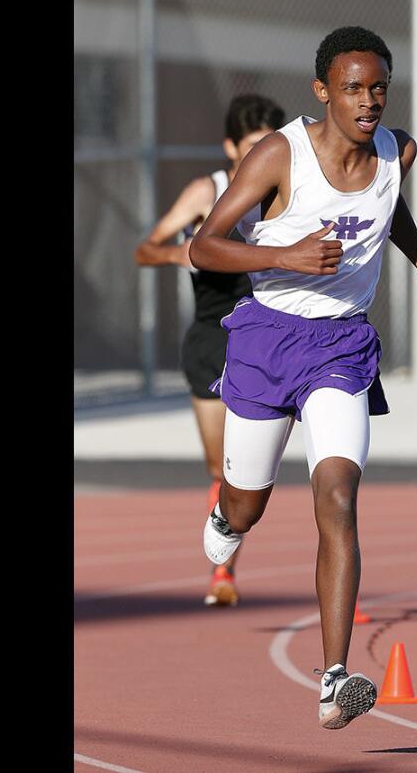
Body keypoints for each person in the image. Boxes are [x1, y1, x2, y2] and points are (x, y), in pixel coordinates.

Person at [189, 26, 417, 729]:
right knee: (248, 508)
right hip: (267, 338)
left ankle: (335, 680)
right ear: (322, 91)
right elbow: (204, 245)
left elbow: (388, 204)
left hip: (341, 347)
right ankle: (226, 517)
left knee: (338, 495)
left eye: (378, 89)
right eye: (353, 89)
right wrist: (290, 255)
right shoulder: (281, 153)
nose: (368, 102)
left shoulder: (399, 150)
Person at [133, 94, 287, 607]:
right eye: (249, 146)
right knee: (222, 469)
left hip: (267, 335)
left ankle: (231, 573)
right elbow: (145, 248)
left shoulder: (288, 188)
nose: (258, 154)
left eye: (267, 144)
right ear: (228, 147)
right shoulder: (208, 190)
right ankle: (225, 562)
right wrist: (181, 250)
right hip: (210, 337)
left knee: (270, 460)